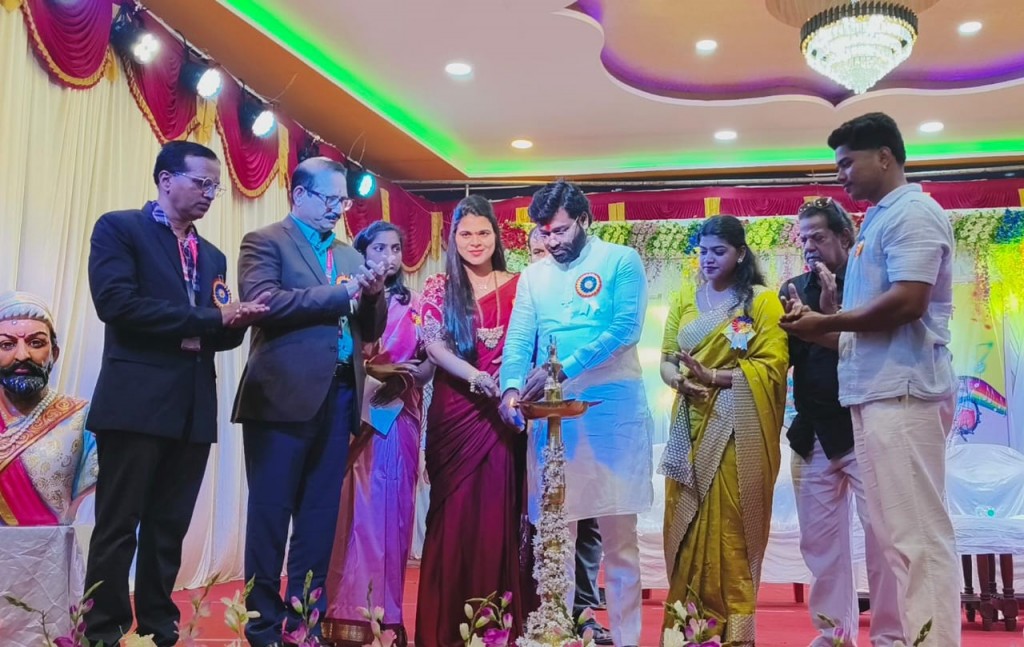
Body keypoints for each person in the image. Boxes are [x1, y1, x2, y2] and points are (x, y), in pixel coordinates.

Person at [780, 112, 961, 646]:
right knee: (896, 540)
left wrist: (827, 321)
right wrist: (819, 326)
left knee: (918, 540)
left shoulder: (913, 213)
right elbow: (859, 338)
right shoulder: (878, 223)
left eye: (847, 162)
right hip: (876, 397)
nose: (840, 174)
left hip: (903, 397)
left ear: (884, 157)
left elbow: (908, 303)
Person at [84, 141, 269, 647]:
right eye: (201, 183)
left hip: (192, 407)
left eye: (215, 187)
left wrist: (240, 320)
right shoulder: (120, 229)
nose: (209, 194)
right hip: (135, 403)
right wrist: (210, 319)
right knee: (118, 525)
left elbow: (220, 332)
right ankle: (102, 632)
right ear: (166, 180)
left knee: (169, 528)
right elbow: (117, 305)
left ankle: (158, 627)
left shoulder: (212, 255)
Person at [233, 156, 388, 647]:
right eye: (329, 199)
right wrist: (340, 296)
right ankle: (262, 626)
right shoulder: (265, 241)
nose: (339, 209)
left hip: (339, 396)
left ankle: (304, 624)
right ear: (298, 195)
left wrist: (373, 295)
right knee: (270, 515)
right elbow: (264, 303)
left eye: (344, 201)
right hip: (280, 397)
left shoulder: (349, 256)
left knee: (319, 519)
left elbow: (372, 329)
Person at [499, 180, 652, 647]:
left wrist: (562, 368)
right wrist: (510, 389)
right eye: (545, 233)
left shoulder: (620, 261)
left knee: (619, 541)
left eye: (561, 230)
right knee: (554, 538)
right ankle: (556, 637)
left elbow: (625, 329)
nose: (552, 241)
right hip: (553, 421)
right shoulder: (534, 276)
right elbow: (519, 338)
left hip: (611, 413)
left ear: (584, 220)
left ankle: (627, 640)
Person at [658, 215, 788, 646]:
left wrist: (714, 376)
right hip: (688, 424)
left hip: (736, 429)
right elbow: (667, 359)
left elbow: (772, 368)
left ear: (741, 254)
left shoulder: (760, 302)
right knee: (687, 529)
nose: (709, 259)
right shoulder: (684, 297)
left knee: (730, 528)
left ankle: (732, 636)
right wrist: (679, 381)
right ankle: (685, 632)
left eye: (719, 251)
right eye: (703, 251)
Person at [780, 200, 900, 646]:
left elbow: (871, 350)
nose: (809, 246)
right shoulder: (793, 289)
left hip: (864, 427)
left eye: (819, 237)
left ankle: (890, 636)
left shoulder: (871, 286)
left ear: (845, 238)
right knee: (820, 545)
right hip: (812, 431)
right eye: (804, 238)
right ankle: (834, 635)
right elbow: (789, 358)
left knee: (883, 541)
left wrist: (832, 312)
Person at [415, 195, 529, 647]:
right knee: (454, 515)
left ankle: (496, 628)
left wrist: (510, 387)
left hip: (502, 411)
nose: (475, 241)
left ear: (497, 237)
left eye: (483, 232)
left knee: (497, 514)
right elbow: (433, 345)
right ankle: (446, 630)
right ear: (453, 238)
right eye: (466, 234)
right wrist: (475, 376)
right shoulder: (439, 286)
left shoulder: (520, 285)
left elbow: (529, 342)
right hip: (455, 410)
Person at [324, 222, 433, 647]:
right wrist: (372, 375)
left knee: (392, 515)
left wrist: (409, 377)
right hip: (353, 415)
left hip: (398, 417)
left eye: (395, 248)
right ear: (362, 253)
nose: (389, 257)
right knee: (347, 515)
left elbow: (430, 360)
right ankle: (338, 614)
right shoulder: (347, 297)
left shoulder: (416, 305)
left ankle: (385, 616)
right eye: (380, 248)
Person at [527, 225, 609, 642]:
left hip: (581, 419)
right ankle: (543, 609)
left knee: (586, 519)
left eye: (552, 247)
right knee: (541, 517)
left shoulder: (579, 298)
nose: (547, 255)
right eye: (537, 251)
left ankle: (584, 610)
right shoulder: (528, 296)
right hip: (535, 420)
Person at [0, 291, 96, 526]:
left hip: (51, 546)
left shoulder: (81, 417)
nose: (22, 355)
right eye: (7, 344)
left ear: (54, 353)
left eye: (36, 343)